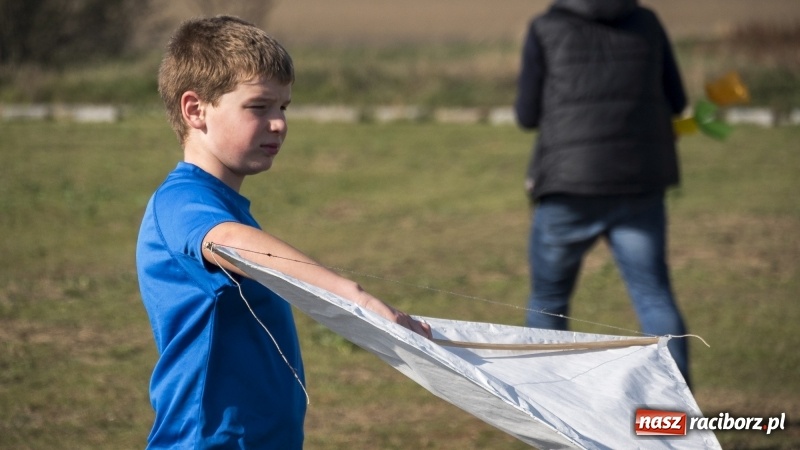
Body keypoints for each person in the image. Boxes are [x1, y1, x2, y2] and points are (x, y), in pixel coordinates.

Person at [136, 16, 431, 449]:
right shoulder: (180, 202)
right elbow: (231, 243)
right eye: (259, 107)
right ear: (195, 110)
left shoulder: (221, 203)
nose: (279, 124)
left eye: (284, 107)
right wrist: (357, 297)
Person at [514, 0, 691, 385]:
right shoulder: (646, 21)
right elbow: (677, 101)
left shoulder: (545, 28)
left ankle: (546, 405)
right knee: (654, 298)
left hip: (568, 185)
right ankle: (681, 419)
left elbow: (526, 115)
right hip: (639, 183)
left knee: (548, 301)